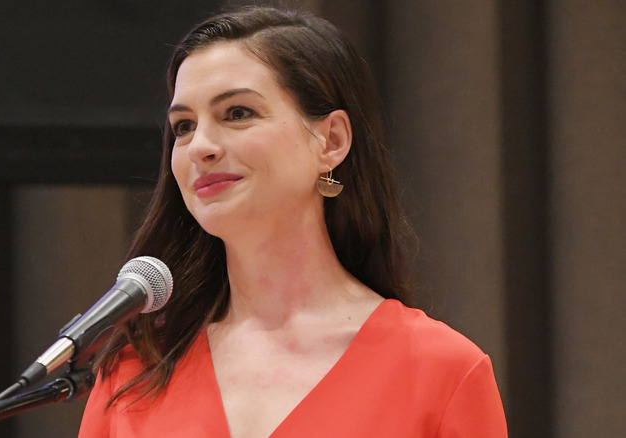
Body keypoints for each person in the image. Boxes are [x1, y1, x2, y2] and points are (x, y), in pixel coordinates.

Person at [78, 6, 507, 437]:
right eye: (184, 126)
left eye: (237, 113)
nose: (199, 147)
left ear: (331, 141)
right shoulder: (135, 369)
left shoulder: (441, 369)